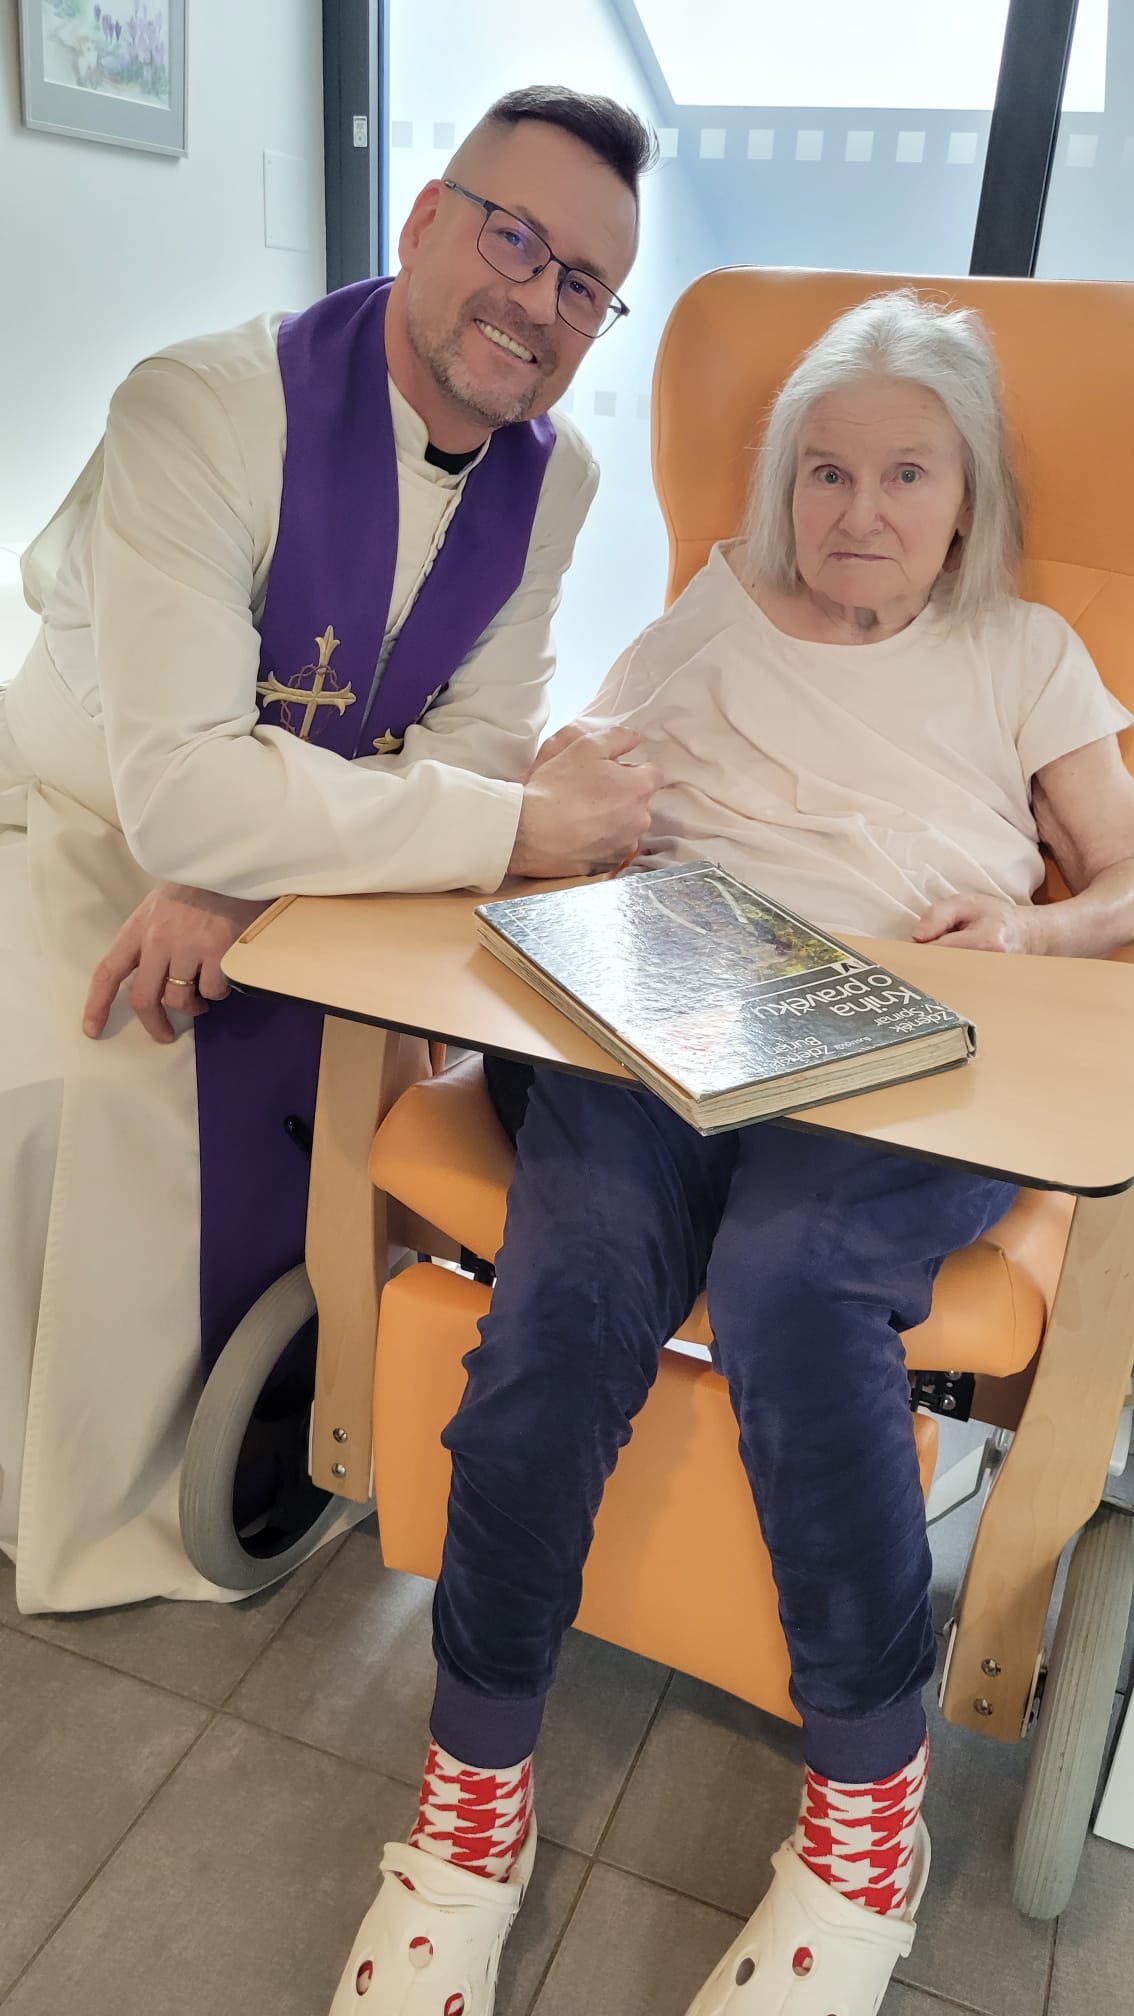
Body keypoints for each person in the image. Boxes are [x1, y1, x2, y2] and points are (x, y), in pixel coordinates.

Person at [331, 292, 1134, 2014]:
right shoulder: (710, 606)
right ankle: (471, 1793)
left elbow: (1129, 880)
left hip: (906, 1033)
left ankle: (862, 1820)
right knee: (570, 1279)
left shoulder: (1021, 654)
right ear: (781, 484)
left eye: (905, 473)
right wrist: (562, 788)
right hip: (664, 998)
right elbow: (575, 779)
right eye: (823, 471)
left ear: (966, 496)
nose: (859, 509)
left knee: (789, 1276)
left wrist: (1038, 929)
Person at [0, 86, 662, 1617]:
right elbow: (174, 791)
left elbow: (481, 735)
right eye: (515, 238)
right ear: (425, 220)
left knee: (358, 1081)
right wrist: (498, 829)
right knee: (93, 1086)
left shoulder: (553, 476)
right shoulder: (200, 409)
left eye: (583, 285)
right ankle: (87, 1494)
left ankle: (326, 1418)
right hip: (81, 816)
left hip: (295, 865)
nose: (537, 301)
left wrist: (248, 867)